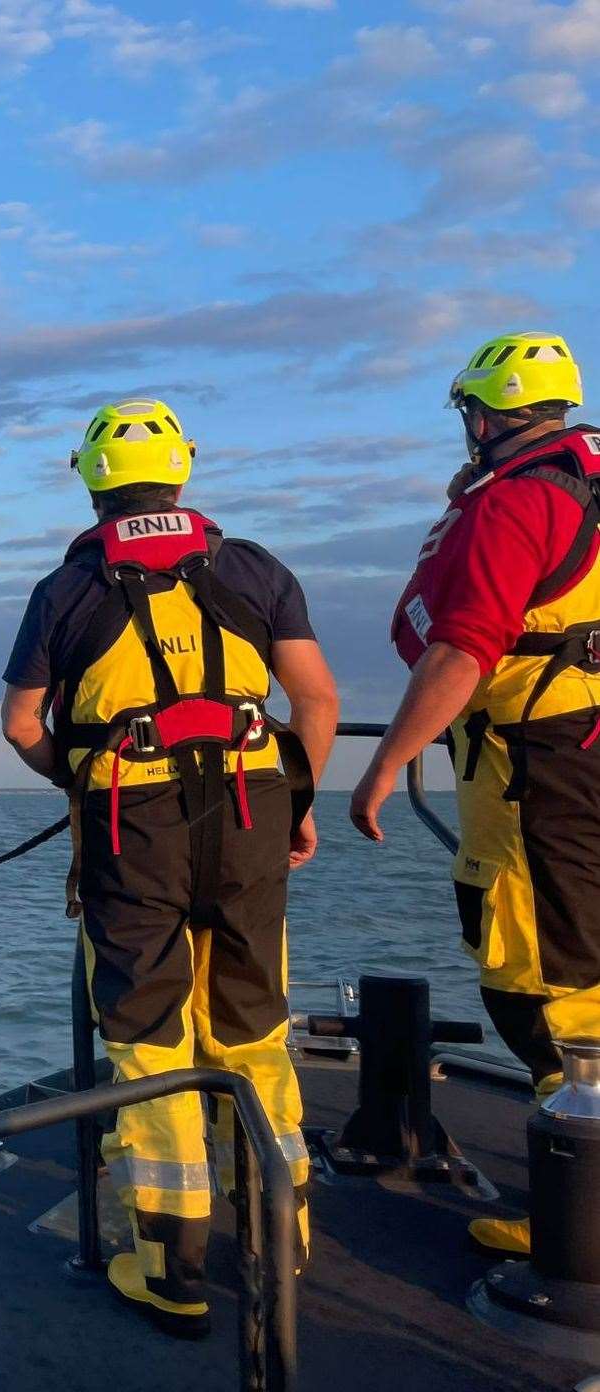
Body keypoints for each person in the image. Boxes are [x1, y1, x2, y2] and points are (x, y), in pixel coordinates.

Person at [2, 399, 339, 1334]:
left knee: (148, 1036)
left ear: (91, 481)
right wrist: (295, 803)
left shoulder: (65, 590)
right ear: (182, 472)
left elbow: (22, 724)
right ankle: (280, 1240)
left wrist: (83, 778)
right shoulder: (252, 567)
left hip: (128, 822)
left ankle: (171, 1273)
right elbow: (313, 695)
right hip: (249, 811)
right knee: (253, 1026)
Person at [350, 332, 599, 1256]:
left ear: (490, 413)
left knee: (545, 989)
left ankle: (579, 1233)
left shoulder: (517, 504)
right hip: (580, 746)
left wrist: (382, 766)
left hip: (539, 768)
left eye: (470, 412)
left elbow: (463, 647)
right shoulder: (585, 489)